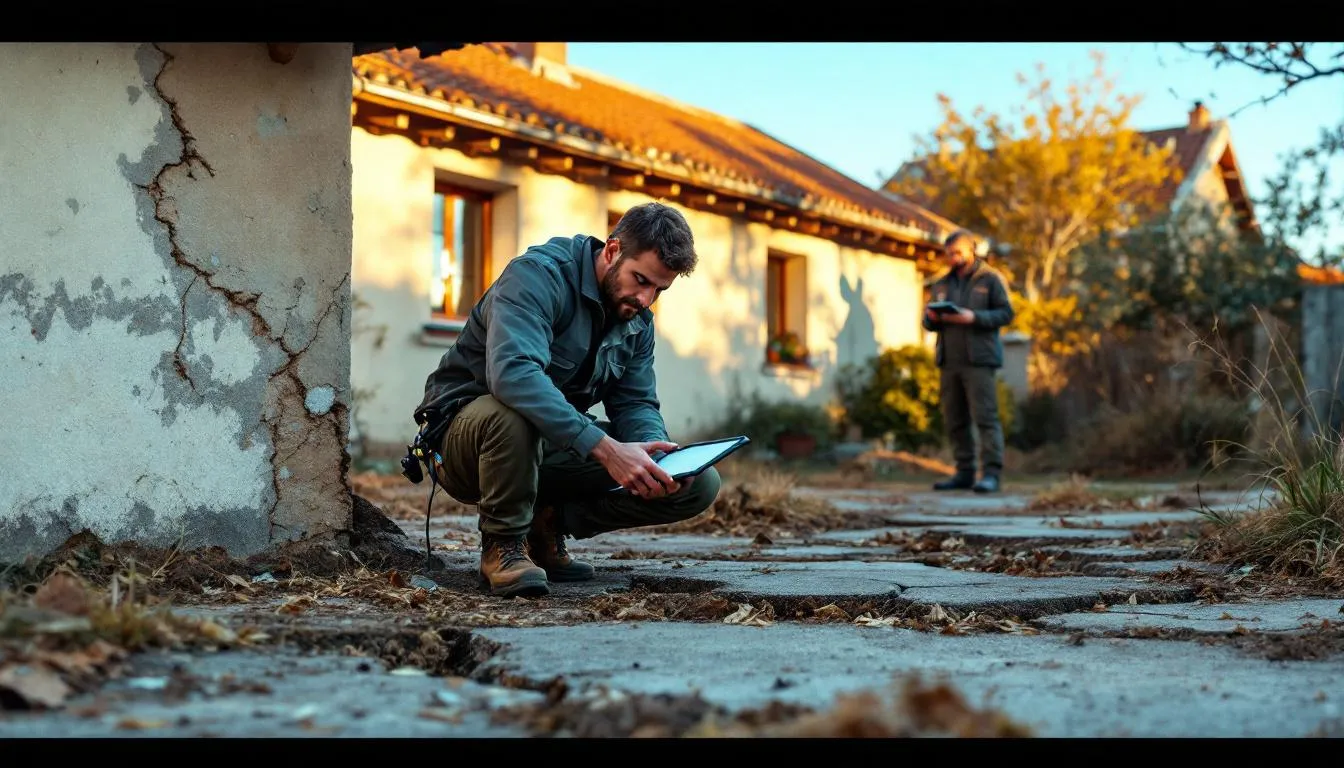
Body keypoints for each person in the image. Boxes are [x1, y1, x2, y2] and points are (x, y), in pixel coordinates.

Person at [412, 202, 722, 598]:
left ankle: (546, 524)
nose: (646, 299)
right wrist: (607, 450)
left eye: (659, 290)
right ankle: (502, 547)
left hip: (548, 443)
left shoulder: (636, 319)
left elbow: (636, 403)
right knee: (516, 411)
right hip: (464, 444)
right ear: (612, 251)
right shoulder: (536, 276)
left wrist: (656, 459)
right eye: (641, 279)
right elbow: (513, 375)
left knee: (697, 484)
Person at [921, 229, 1015, 494]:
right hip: (949, 361)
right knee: (955, 420)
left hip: (979, 361)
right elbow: (927, 323)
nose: (953, 258)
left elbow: (1006, 314)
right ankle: (964, 472)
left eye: (957, 253)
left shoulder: (991, 279)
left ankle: (991, 474)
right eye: (949, 254)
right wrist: (931, 318)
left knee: (985, 418)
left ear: (972, 251)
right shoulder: (941, 284)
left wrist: (974, 318)